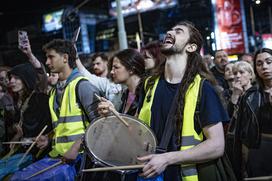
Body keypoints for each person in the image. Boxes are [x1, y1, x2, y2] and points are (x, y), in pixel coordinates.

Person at [98, 21, 228, 181]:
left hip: (183, 175)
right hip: (148, 174)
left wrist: (167, 158)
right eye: (170, 29)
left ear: (191, 47)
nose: (169, 32)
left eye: (178, 31)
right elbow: (137, 131)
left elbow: (217, 145)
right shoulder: (149, 84)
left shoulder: (202, 88)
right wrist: (114, 115)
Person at [10, 39, 100, 180]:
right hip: (58, 155)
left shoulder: (82, 86)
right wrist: (49, 137)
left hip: (79, 159)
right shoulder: (54, 92)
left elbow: (100, 124)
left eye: (51, 57)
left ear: (65, 58)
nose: (47, 62)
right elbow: (62, 125)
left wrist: (76, 147)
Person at [232, 48, 272, 178]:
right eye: (259, 64)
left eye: (269, 62)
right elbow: (243, 132)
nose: (264, 67)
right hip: (259, 150)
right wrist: (243, 162)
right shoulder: (250, 96)